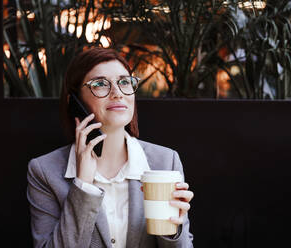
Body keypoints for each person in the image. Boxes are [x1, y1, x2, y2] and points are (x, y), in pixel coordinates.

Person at [26, 47, 194, 248]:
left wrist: (175, 228)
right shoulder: (45, 171)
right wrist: (83, 185)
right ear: (75, 101)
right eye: (100, 84)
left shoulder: (165, 162)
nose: (117, 93)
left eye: (124, 82)